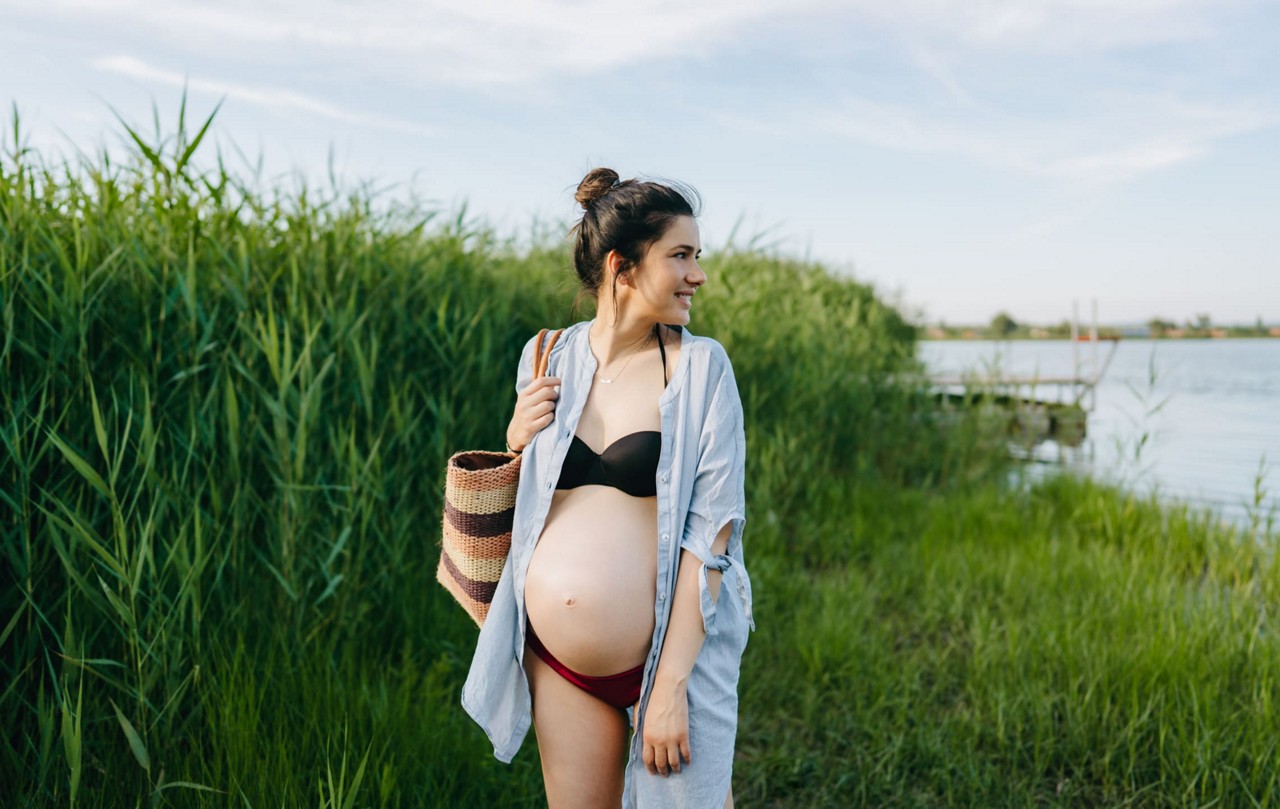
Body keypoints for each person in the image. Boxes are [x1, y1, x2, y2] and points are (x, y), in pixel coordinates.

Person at [461, 168, 753, 808]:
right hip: (559, 661)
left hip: (669, 661)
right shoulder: (545, 356)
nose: (699, 275)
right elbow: (533, 501)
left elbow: (713, 538)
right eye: (681, 255)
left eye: (696, 256)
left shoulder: (700, 369)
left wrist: (668, 686)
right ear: (623, 267)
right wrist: (516, 439)